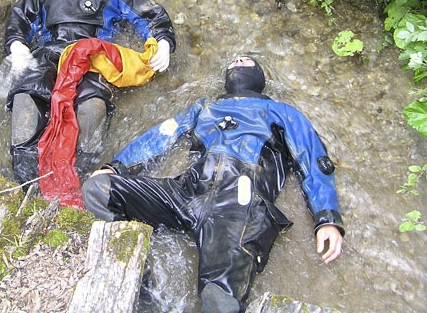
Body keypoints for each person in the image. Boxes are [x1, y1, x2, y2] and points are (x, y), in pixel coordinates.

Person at [82, 56, 344, 312]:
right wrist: (116, 166)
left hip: (239, 206)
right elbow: (162, 135)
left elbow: (313, 159)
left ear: (260, 77)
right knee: (100, 189)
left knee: (220, 300)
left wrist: (327, 218)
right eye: (235, 61)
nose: (238, 61)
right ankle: (143, 295)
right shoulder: (204, 107)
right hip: (188, 191)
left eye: (247, 61)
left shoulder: (281, 111)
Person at [4, 0, 176, 185]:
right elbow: (20, 19)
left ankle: (78, 178)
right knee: (25, 100)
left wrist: (163, 41)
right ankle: (25, 180)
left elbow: (148, 15)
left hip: (94, 57)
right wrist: (17, 45)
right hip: (50, 55)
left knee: (92, 107)